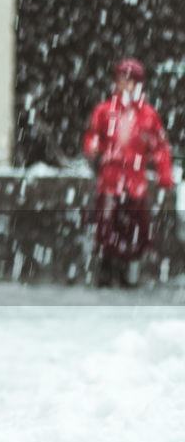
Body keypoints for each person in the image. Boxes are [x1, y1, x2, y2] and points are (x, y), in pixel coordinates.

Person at [82, 57, 176, 287]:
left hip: (134, 185)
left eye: (130, 81)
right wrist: (93, 150)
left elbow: (161, 147)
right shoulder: (105, 112)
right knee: (106, 228)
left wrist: (165, 175)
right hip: (109, 182)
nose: (124, 86)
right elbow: (92, 135)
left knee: (134, 229)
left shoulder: (148, 116)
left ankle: (125, 272)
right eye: (121, 81)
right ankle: (106, 272)